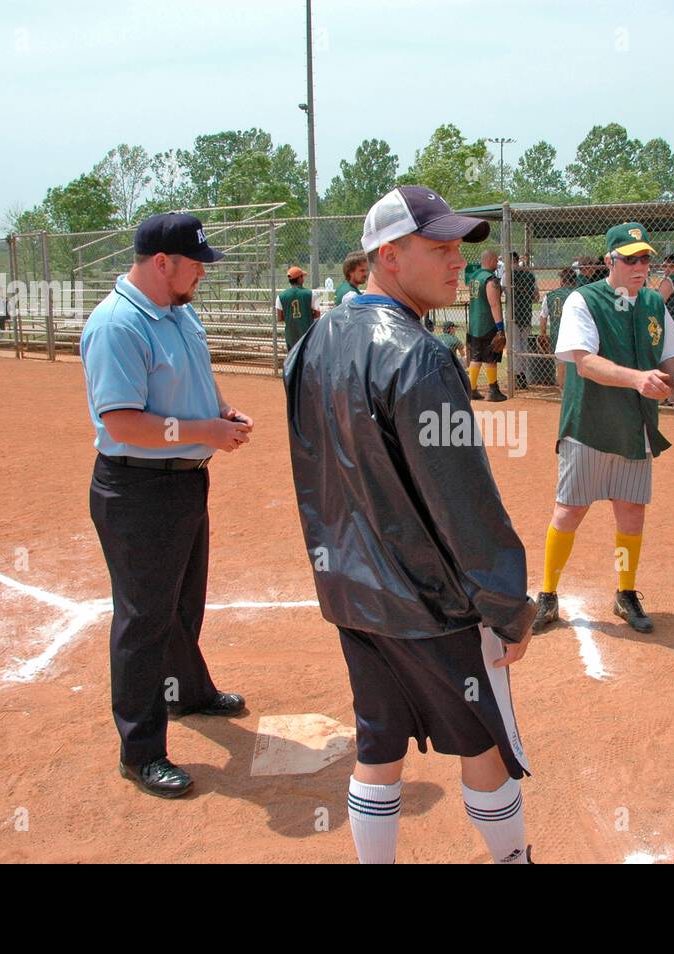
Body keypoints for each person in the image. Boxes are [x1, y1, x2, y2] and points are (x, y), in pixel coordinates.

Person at [284, 185, 536, 865]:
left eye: (459, 247)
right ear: (387, 256)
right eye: (440, 247)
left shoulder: (314, 341)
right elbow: (464, 504)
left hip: (352, 592)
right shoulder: (419, 355)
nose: (458, 260)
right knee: (484, 745)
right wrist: (508, 604)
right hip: (431, 603)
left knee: (378, 744)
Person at [80, 212, 253, 799]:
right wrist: (203, 427)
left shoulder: (179, 311)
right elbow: (122, 421)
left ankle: (189, 693)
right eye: (196, 265)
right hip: (137, 489)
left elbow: (194, 381)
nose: (202, 274)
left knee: (183, 602)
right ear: (162, 263)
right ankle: (141, 750)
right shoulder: (117, 325)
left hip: (184, 482)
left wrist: (219, 414)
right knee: (143, 619)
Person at [532, 222, 674, 636]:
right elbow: (584, 363)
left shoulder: (655, 302)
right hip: (590, 423)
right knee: (570, 510)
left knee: (631, 512)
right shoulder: (584, 300)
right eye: (630, 259)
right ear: (609, 261)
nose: (640, 266)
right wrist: (638, 379)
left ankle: (625, 592)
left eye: (645, 259)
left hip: (636, 426)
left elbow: (670, 358)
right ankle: (547, 595)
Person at [465, 248, 507, 402]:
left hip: (474, 323)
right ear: (489, 261)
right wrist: (500, 328)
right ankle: (493, 390)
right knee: (491, 357)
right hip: (488, 323)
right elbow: (494, 305)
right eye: (495, 260)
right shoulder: (490, 279)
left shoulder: (474, 276)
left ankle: (472, 389)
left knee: (476, 356)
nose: (497, 263)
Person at [539, 265, 577, 389]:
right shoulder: (578, 294)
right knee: (576, 365)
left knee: (561, 365)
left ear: (562, 281)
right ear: (574, 281)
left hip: (557, 334)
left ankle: (564, 393)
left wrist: (543, 333)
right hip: (574, 334)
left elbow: (543, 317)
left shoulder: (549, 295)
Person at [509, 252, 539, 385]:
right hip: (526, 313)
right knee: (524, 345)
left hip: (513, 315)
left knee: (516, 346)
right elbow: (536, 297)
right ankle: (523, 376)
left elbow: (505, 293)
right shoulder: (530, 275)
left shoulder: (508, 275)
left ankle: (517, 375)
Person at [276, 266, 320, 352]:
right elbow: (318, 314)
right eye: (302, 277)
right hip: (307, 333)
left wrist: (291, 318)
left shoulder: (280, 296)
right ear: (299, 279)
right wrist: (306, 316)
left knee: (292, 359)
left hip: (291, 335)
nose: (303, 279)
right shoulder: (312, 294)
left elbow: (280, 318)